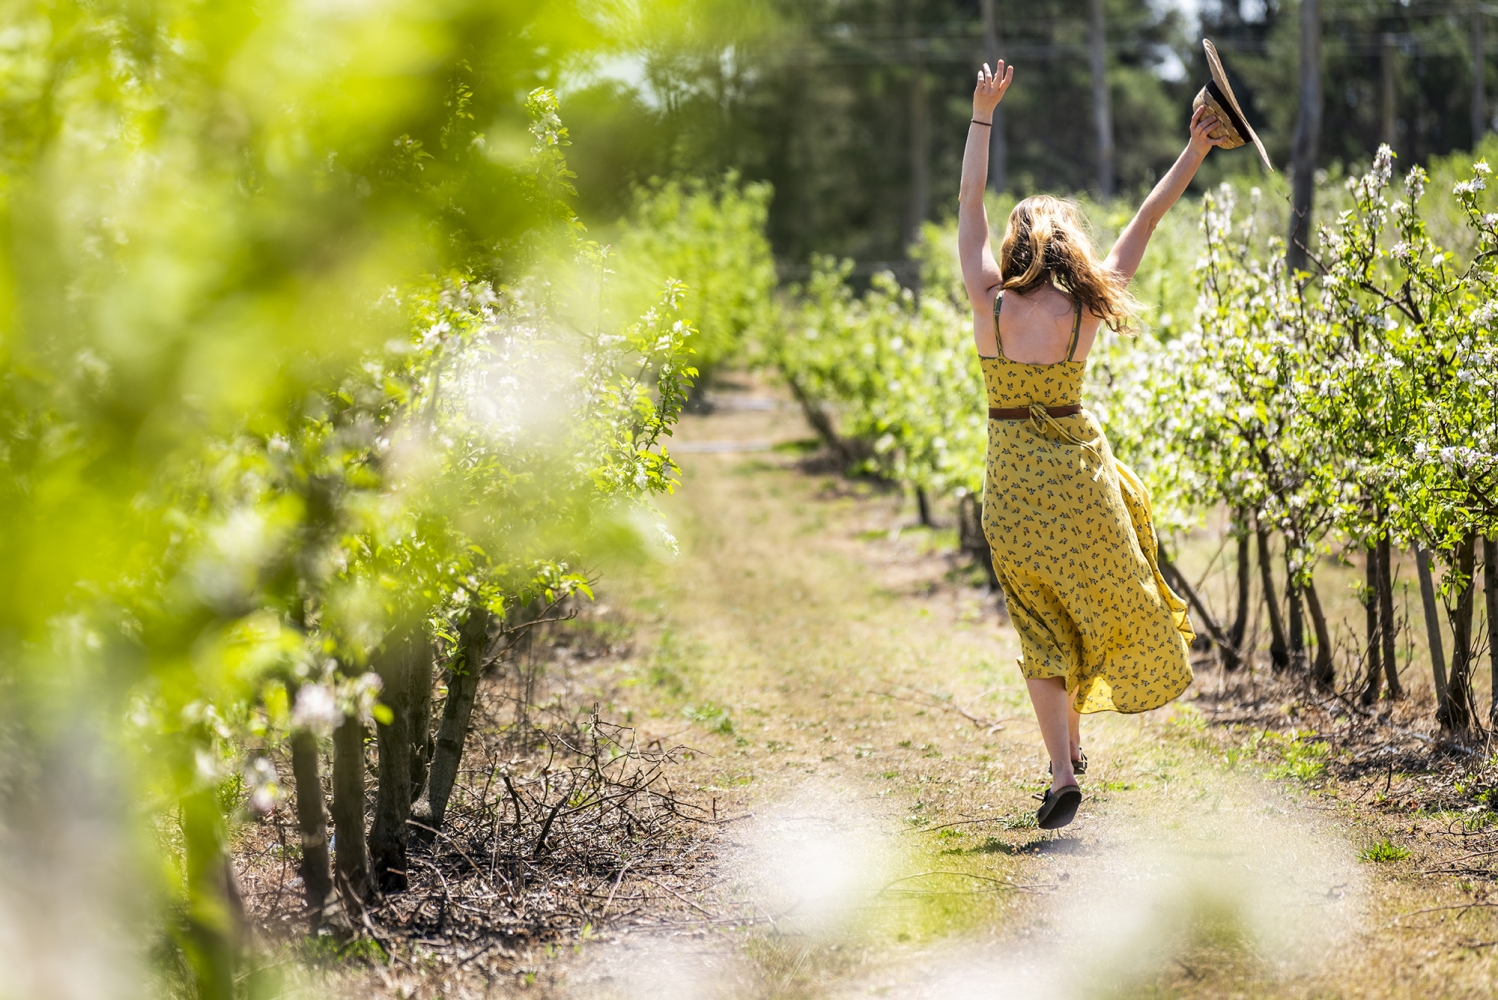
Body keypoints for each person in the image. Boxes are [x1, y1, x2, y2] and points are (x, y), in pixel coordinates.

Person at [958, 61, 1223, 830]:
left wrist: (983, 115)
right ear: (1071, 249)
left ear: (1014, 249)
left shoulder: (991, 303)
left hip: (1012, 493)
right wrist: (1196, 152)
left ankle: (1064, 767)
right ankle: (1066, 759)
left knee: (1040, 628)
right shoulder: (1086, 308)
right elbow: (1147, 218)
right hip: (1082, 487)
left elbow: (969, 200)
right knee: (1082, 617)